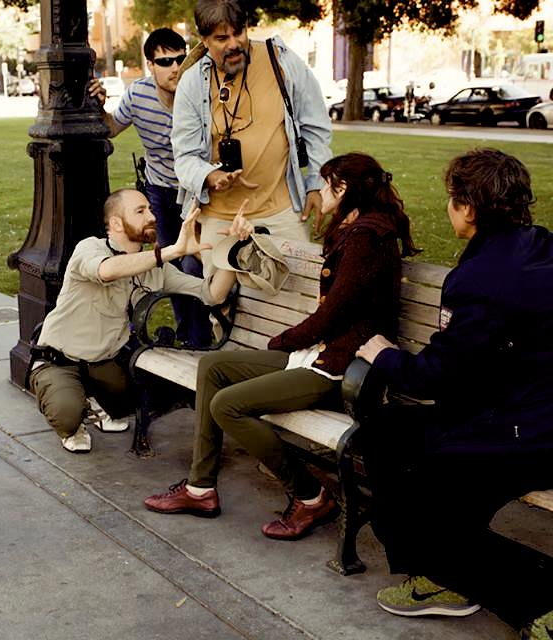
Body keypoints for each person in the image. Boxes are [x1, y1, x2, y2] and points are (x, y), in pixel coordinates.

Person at [355, 149, 553, 640]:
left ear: (469, 206)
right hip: (528, 420)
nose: (449, 208)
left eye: (453, 198)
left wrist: (381, 354)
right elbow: (485, 358)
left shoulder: (484, 278)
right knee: (385, 435)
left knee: (423, 504)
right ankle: (442, 578)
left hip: (531, 441)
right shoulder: (536, 245)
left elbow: (434, 377)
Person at [144, 153, 419, 539]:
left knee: (228, 405)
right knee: (214, 367)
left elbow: (333, 314)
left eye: (327, 184)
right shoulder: (356, 229)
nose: (321, 191)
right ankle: (200, 488)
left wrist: (283, 342)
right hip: (320, 355)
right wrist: (248, 238)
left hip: (343, 369)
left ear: (344, 190)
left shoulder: (369, 239)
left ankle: (310, 497)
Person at [30, 188, 252, 453]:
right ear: (115, 223)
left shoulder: (156, 268)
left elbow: (212, 294)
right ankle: (76, 416)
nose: (151, 216)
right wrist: (168, 252)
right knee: (66, 414)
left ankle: (95, 401)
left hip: (104, 361)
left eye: (149, 209)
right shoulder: (89, 247)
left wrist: (234, 248)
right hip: (59, 359)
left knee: (143, 399)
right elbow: (107, 270)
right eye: (140, 211)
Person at [172, 0, 332, 277]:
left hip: (282, 211)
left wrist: (315, 184)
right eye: (222, 38)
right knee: (224, 308)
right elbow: (184, 157)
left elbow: (316, 127)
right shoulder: (192, 82)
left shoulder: (281, 61)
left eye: (239, 32)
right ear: (204, 41)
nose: (234, 44)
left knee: (297, 296)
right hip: (218, 219)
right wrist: (210, 176)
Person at [87, 28, 212, 347]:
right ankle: (187, 334)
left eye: (180, 59)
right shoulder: (138, 94)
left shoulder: (200, 93)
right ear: (150, 65)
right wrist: (100, 107)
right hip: (160, 191)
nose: (174, 67)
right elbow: (112, 128)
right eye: (165, 60)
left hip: (197, 194)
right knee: (167, 262)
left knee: (193, 263)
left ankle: (201, 337)